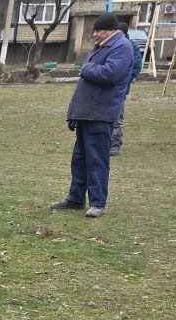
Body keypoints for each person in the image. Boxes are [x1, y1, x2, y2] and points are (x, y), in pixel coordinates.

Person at [49, 12, 133, 220]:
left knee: (97, 160)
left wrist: (86, 68)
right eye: (95, 30)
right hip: (87, 112)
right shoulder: (101, 47)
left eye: (99, 30)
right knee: (79, 159)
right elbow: (84, 85)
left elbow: (109, 74)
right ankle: (75, 198)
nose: (95, 34)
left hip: (100, 113)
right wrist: (74, 112)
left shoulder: (122, 47)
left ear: (111, 30)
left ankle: (97, 202)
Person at [110, 22, 143, 156]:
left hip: (120, 90)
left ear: (123, 33)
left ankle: (115, 144)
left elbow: (136, 67)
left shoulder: (131, 46)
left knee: (117, 117)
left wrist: (124, 80)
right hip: (106, 88)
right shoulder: (110, 45)